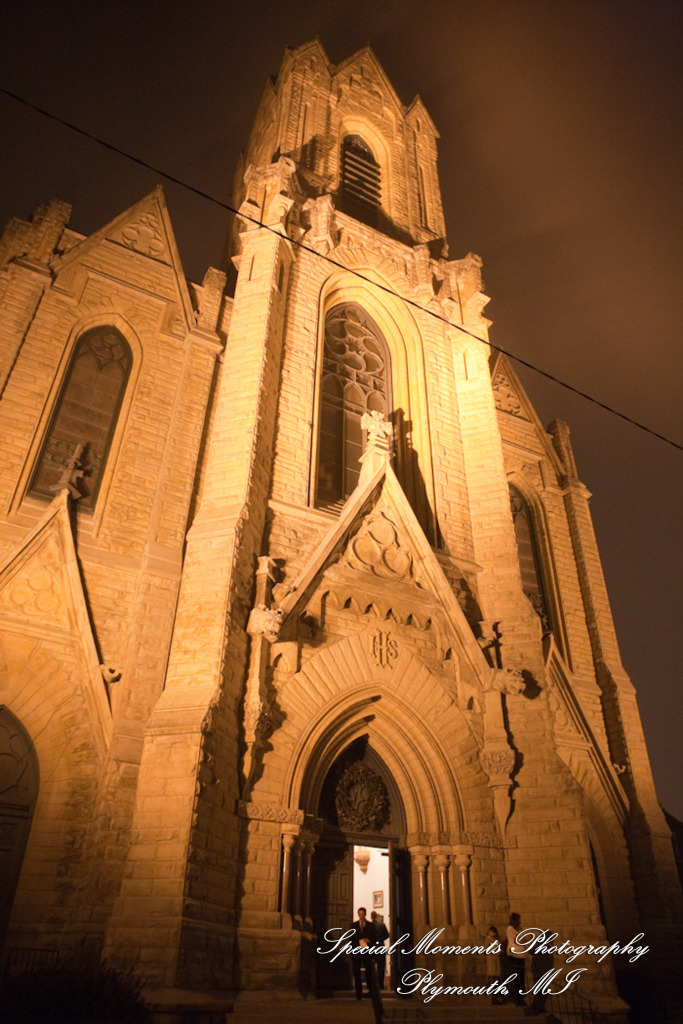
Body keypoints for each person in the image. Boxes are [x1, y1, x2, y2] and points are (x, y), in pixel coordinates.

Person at [351, 907, 378, 1000]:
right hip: (357, 952)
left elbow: (375, 938)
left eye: (363, 914)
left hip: (367, 952)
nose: (361, 916)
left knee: (369, 972)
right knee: (356, 972)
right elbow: (351, 939)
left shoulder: (371, 926)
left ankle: (371, 991)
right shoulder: (353, 926)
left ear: (365, 915)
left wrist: (369, 940)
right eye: (360, 914)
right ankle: (358, 993)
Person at [506, 912, 527, 1007]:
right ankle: (517, 999)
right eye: (518, 919)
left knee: (521, 978)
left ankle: (521, 998)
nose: (520, 921)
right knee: (516, 978)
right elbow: (518, 940)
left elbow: (524, 938)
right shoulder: (510, 929)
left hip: (521, 955)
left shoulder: (519, 929)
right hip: (514, 955)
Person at [485, 925, 505, 1005]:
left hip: (496, 963)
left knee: (497, 980)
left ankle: (497, 997)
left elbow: (500, 948)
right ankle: (494, 999)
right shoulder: (487, 940)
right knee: (493, 981)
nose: (492, 934)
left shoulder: (496, 940)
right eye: (491, 932)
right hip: (491, 964)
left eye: (494, 932)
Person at [371, 911, 389, 990]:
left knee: (371, 966)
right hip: (380, 946)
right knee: (381, 967)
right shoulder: (381, 925)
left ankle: (372, 985)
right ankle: (380, 985)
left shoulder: (369, 926)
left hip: (371, 947)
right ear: (376, 917)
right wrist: (381, 939)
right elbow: (387, 935)